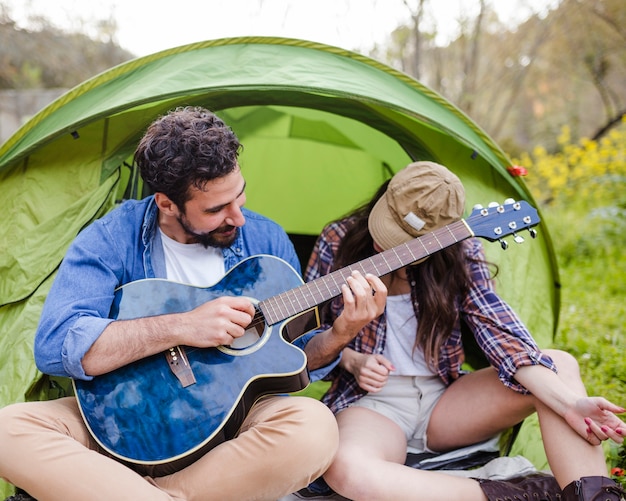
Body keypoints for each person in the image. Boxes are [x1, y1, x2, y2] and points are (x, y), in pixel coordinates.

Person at [0, 106, 385, 501]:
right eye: (216, 209)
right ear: (166, 203)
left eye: (239, 195)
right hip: (118, 424)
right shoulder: (111, 238)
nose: (238, 218)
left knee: (315, 428)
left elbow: (298, 358)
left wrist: (342, 333)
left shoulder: (266, 241)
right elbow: (55, 345)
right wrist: (183, 325)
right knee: (7, 431)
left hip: (230, 428)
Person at [303, 161, 626, 501]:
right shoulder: (337, 239)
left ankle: (597, 497)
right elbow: (305, 341)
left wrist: (568, 404)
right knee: (347, 470)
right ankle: (523, 494)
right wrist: (352, 358)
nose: (387, 244)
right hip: (372, 403)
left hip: (446, 400)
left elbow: (500, 331)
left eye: (406, 242)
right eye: (389, 226)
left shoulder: (461, 250)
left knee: (558, 365)